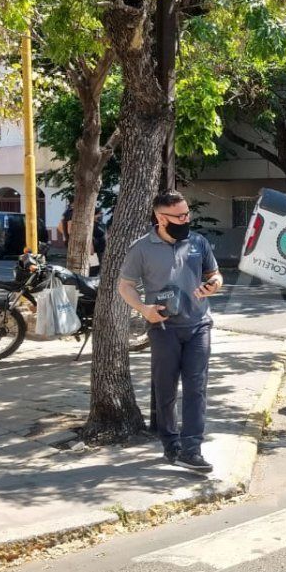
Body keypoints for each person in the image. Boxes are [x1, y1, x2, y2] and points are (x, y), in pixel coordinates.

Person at [118, 191, 223, 472]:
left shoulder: (198, 241)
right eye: (179, 216)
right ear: (161, 218)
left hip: (199, 325)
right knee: (165, 389)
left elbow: (215, 275)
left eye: (187, 213)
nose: (185, 219)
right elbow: (125, 286)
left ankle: (192, 449)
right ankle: (170, 443)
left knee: (196, 388)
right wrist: (144, 309)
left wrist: (213, 284)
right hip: (163, 328)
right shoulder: (141, 248)